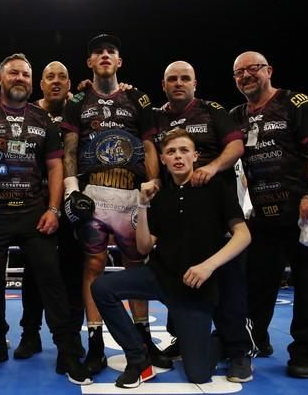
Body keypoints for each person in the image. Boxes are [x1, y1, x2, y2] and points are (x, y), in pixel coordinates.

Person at [0, 53, 91, 384]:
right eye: (13, 73)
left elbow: (57, 167)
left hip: (34, 213)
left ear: (31, 81)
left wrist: (54, 210)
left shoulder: (43, 118)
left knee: (51, 281)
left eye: (25, 75)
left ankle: (66, 350)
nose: (20, 79)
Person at [92, 128, 251, 388]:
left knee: (198, 374)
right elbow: (143, 247)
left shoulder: (216, 188)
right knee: (102, 287)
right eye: (171, 152)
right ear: (163, 159)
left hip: (195, 287)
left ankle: (221, 340)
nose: (178, 156)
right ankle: (138, 357)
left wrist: (208, 266)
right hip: (160, 277)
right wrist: (142, 205)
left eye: (184, 150)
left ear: (195, 156)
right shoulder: (160, 196)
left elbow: (243, 236)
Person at [60, 34, 168, 374]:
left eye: (111, 52)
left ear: (119, 61)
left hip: (131, 195)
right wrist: (70, 189)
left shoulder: (138, 97)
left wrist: (154, 183)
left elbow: (150, 145)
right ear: (90, 62)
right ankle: (95, 344)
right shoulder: (77, 100)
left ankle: (144, 338)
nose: (105, 56)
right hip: (93, 194)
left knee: (136, 266)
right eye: (98, 52)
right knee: (92, 265)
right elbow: (70, 148)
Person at [229, 50, 308, 379]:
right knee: (255, 285)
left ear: (269, 70)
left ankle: (305, 354)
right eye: (239, 73)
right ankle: (255, 339)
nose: (246, 76)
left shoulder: (296, 102)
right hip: (261, 215)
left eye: (253, 69)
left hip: (305, 211)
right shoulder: (235, 115)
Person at [152, 61, 254, 382]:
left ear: (195, 83)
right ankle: (184, 337)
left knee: (228, 280)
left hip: (214, 202)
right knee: (175, 273)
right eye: (172, 79)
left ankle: (238, 350)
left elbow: (236, 145)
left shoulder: (212, 110)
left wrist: (212, 168)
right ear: (164, 84)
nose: (179, 83)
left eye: (185, 78)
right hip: (174, 207)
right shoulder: (156, 116)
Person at [13, 61, 85, 360]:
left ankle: (71, 336)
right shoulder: (26, 112)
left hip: (72, 201)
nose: (56, 81)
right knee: (33, 272)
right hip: (34, 201)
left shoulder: (79, 110)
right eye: (50, 77)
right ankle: (30, 334)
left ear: (70, 83)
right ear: (40, 83)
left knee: (72, 270)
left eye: (62, 77)